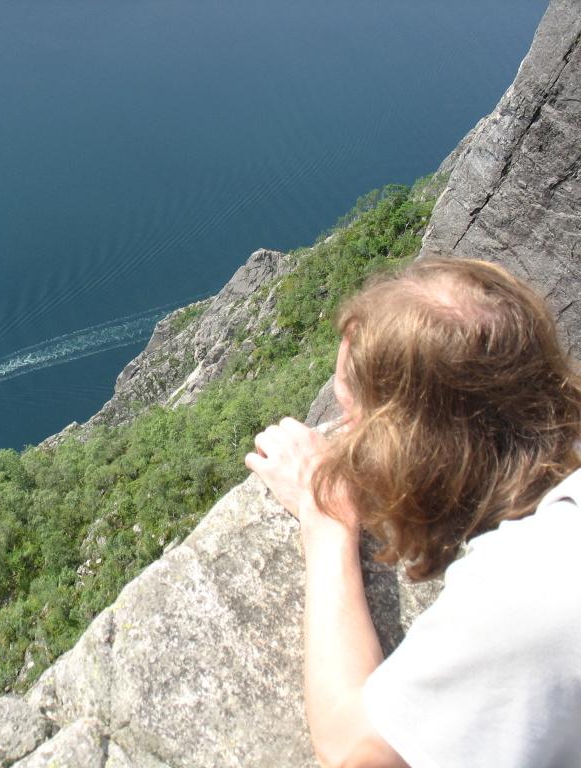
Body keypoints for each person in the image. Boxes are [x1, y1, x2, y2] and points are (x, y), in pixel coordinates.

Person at [244, 257, 581, 768]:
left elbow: (356, 748)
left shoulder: (526, 588)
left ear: (407, 446)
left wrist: (326, 517)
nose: (342, 434)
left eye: (352, 415)